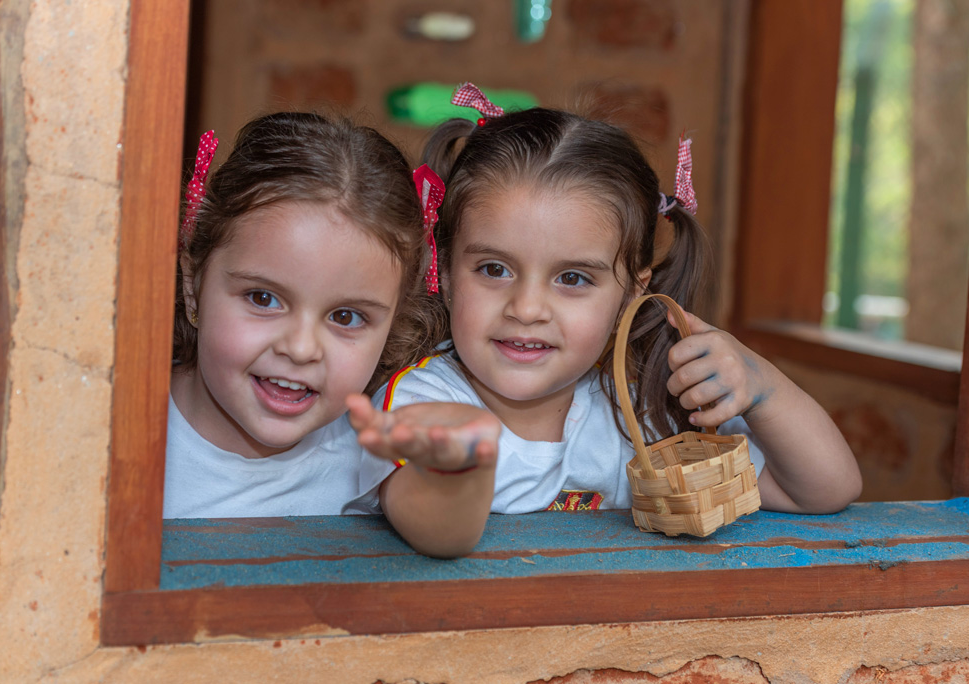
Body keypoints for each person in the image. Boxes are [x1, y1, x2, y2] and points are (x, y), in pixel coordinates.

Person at [357, 84, 862, 516]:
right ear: (443, 271)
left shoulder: (641, 413)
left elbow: (823, 490)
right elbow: (433, 523)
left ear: (632, 292)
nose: (527, 308)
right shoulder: (420, 404)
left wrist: (763, 387)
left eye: (573, 278)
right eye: (495, 269)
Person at [165, 112, 498, 558]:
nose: (300, 349)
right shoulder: (115, 431)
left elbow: (445, 533)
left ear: (395, 324)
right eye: (263, 298)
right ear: (194, 284)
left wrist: (459, 470)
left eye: (346, 317)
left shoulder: (372, 454)